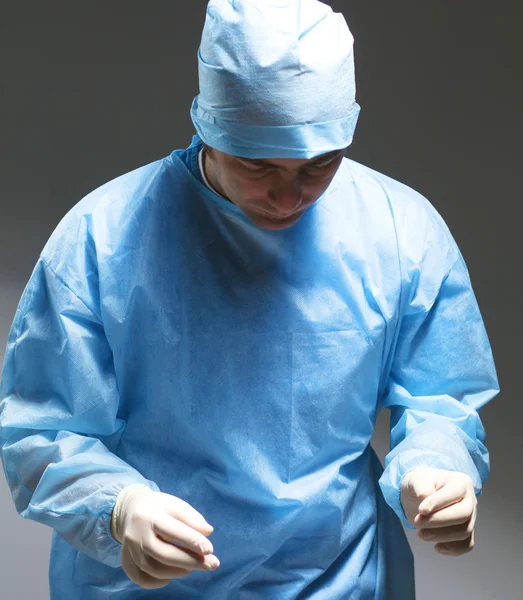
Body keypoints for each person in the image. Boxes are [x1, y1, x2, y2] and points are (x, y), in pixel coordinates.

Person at [0, 1, 499, 598]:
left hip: (336, 574)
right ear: (210, 126)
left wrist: (436, 467)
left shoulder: (402, 233)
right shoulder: (103, 239)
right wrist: (118, 508)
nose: (287, 197)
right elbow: (42, 428)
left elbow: (440, 399)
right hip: (149, 582)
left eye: (319, 166)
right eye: (255, 164)